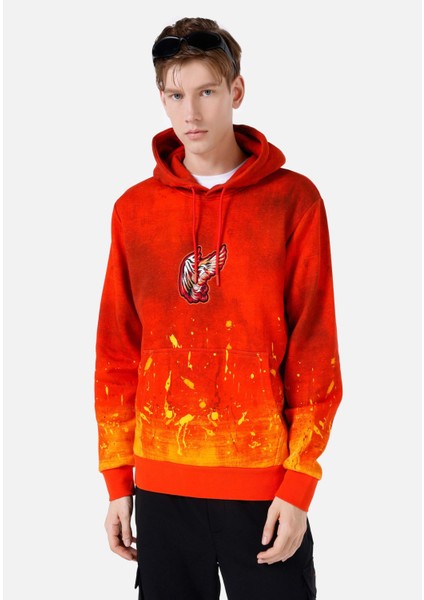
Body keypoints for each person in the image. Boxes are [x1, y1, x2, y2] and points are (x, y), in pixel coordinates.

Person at [94, 16, 342, 600]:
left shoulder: (293, 201)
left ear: (236, 91)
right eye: (175, 95)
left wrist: (298, 484)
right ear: (161, 98)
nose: (191, 113)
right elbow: (117, 354)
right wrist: (118, 482)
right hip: (161, 489)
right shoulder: (135, 211)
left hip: (262, 489)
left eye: (206, 91)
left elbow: (314, 352)